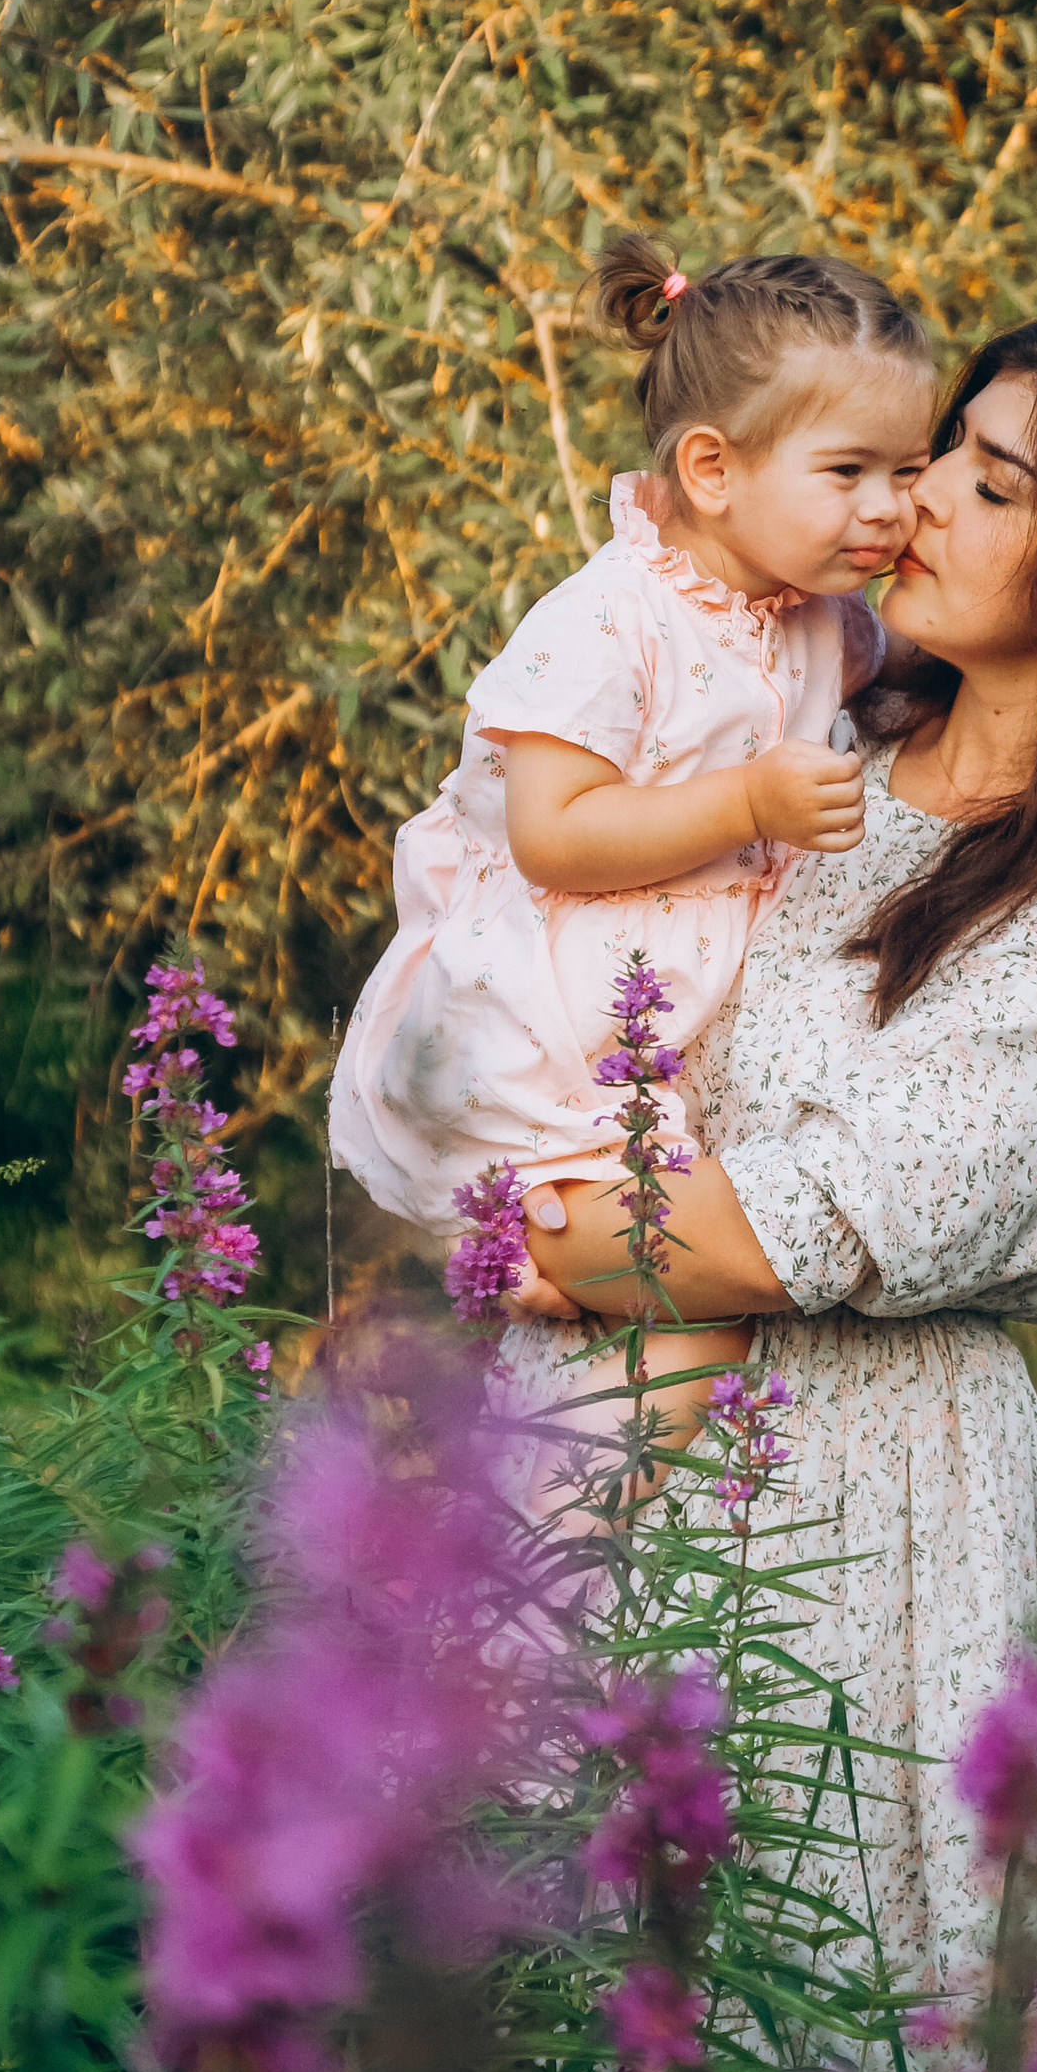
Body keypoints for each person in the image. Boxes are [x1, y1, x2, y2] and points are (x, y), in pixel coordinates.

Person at [504, 310, 1037, 2072]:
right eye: (941, 453)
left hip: (866, 1497)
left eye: (991, 480)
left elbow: (779, 1234)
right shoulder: (818, 749)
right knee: (570, 2046)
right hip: (612, 1421)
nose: (921, 496)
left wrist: (512, 1249)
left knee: (834, 2038)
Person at [329, 236, 936, 1421]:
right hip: (556, 1029)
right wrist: (746, 804)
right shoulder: (609, 620)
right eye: (851, 470)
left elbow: (897, 674)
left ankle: (560, 1526)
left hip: (670, 1032)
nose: (889, 508)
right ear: (710, 467)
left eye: (909, 470)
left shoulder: (814, 608)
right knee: (695, 1314)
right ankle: (540, 1550)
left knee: (690, 1321)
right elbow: (551, 833)